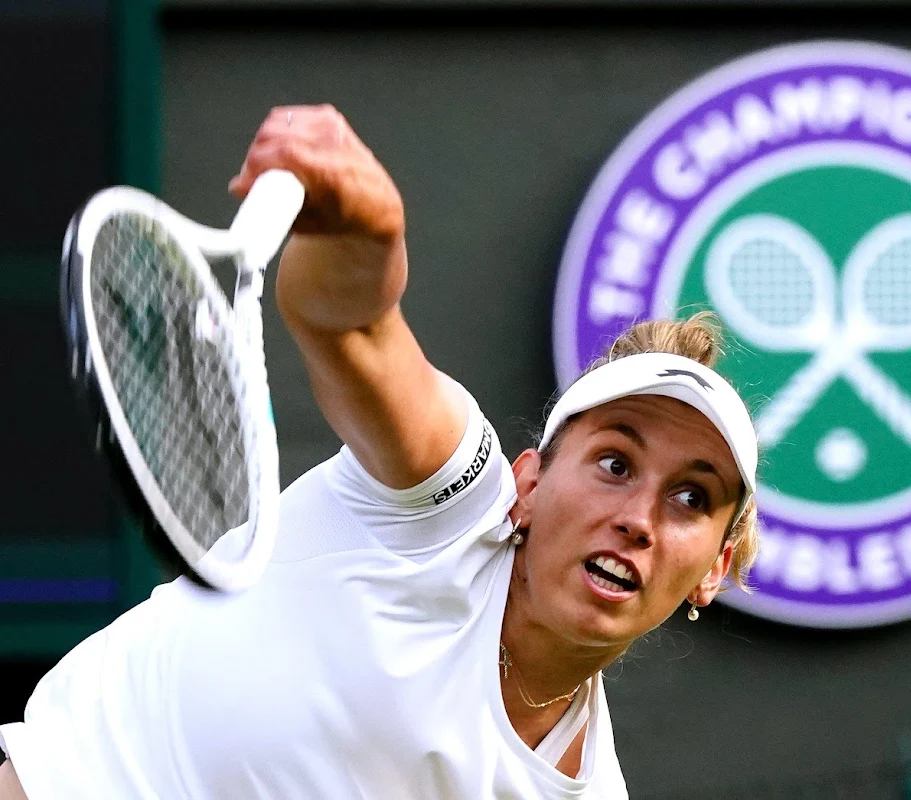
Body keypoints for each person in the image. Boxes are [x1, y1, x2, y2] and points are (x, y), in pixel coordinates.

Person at [0, 105, 760, 799]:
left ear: (714, 571)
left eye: (693, 498)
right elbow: (353, 324)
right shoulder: (455, 500)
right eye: (614, 463)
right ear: (526, 485)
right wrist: (366, 233)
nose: (638, 518)